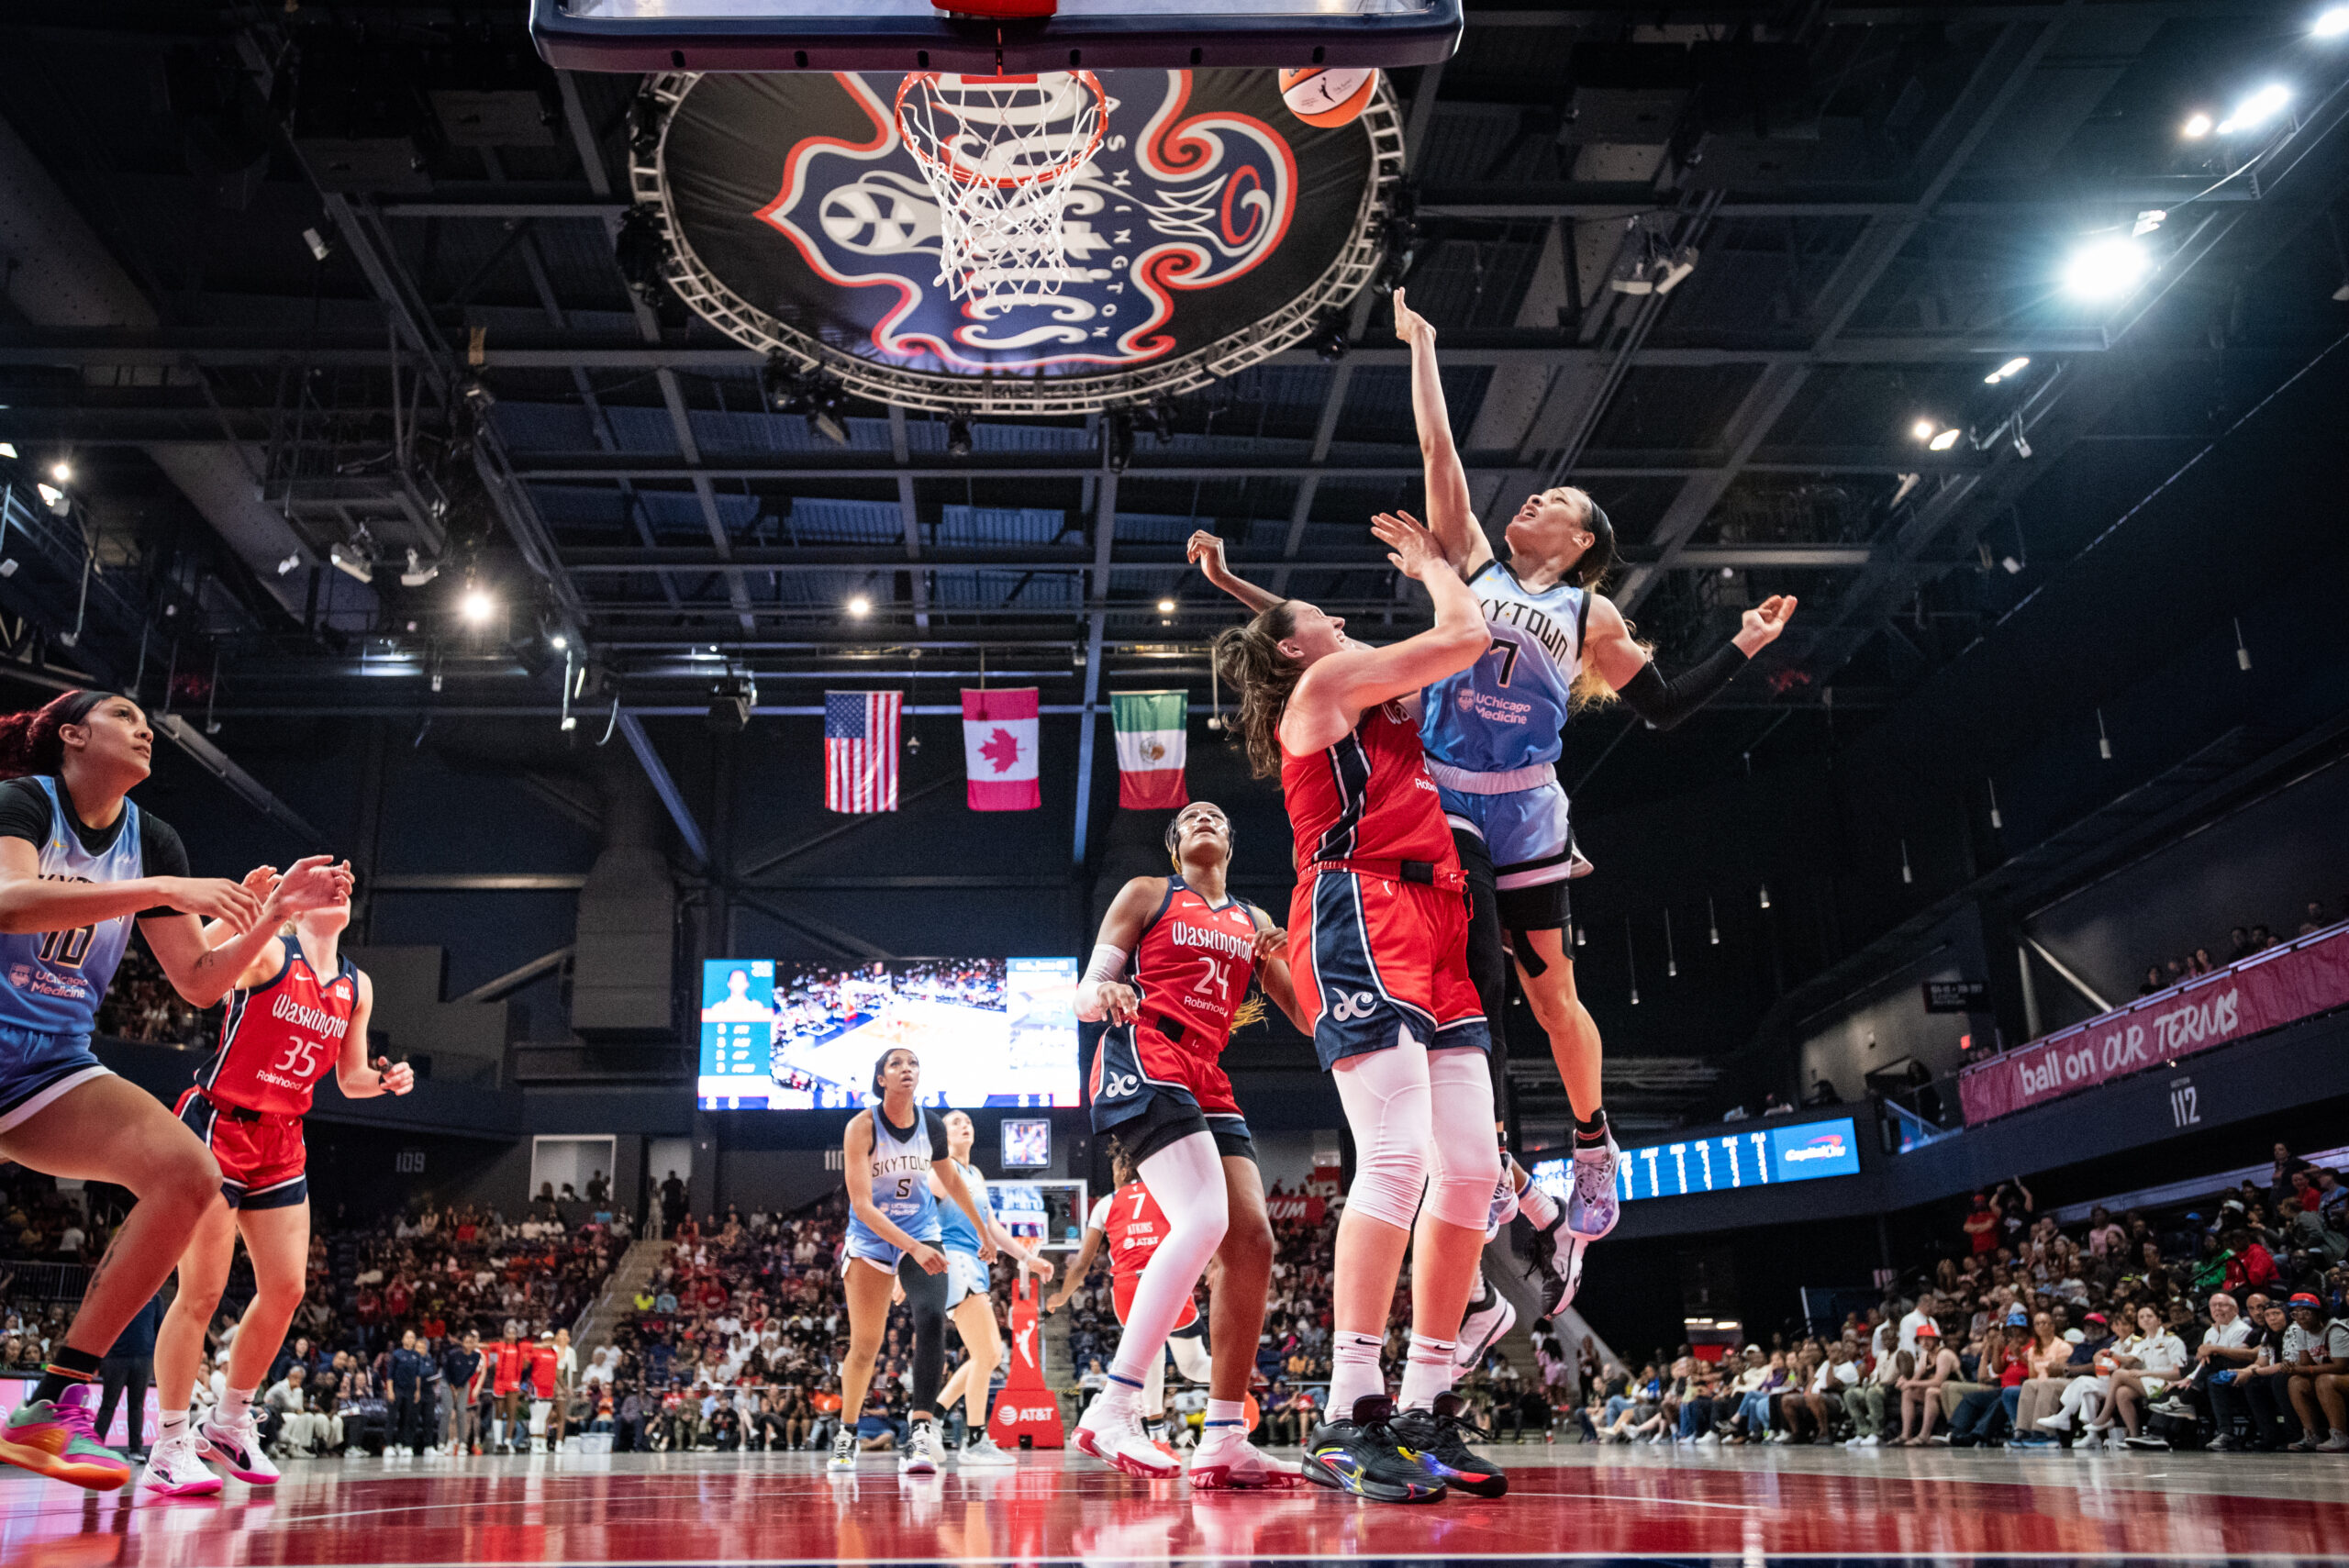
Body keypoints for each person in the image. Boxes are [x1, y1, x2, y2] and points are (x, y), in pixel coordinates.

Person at [1193, 292, 1796, 1323]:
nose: (1531, 501)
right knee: (1469, 1012)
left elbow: (1658, 709)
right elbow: (1434, 457)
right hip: (1442, 807)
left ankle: (1594, 1144)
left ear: (1580, 537)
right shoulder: (1465, 561)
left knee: (1556, 994)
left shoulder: (1588, 610)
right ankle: (1502, 1194)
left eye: (1553, 497)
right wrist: (1422, 348)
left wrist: (1742, 643)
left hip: (1526, 810)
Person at [1209, 506, 1503, 1504]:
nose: (1339, 617)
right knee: (1397, 1158)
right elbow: (1462, 635)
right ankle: (1348, 1410)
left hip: (1438, 911)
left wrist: (1247, 596)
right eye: (1318, 617)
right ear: (1300, 647)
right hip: (1358, 903)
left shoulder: (1338, 668)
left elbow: (1326, 634)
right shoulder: (1328, 684)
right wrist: (1429, 564)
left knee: (1469, 1169)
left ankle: (1424, 1402)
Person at [0, 689, 351, 1491]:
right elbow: (11, 904)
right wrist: (164, 890)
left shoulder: (152, 837)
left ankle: (51, 1404)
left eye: (148, 725)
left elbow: (198, 982)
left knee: (190, 1176)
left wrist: (269, 917)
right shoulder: (23, 802)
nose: (143, 730)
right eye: (125, 717)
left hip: (50, 1064)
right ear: (73, 734)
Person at [1068, 797, 1310, 1489]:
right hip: (1146, 1051)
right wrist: (1106, 994)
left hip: (1207, 1070)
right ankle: (1115, 1405)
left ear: (1231, 841)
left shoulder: (1254, 921)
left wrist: (1293, 951)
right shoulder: (1149, 892)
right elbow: (1086, 993)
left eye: (1217, 815)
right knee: (1205, 1216)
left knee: (1252, 1241)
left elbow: (1303, 1015)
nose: (1206, 816)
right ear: (1177, 845)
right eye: (1192, 817)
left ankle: (1225, 1435)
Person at [145, 869, 410, 1494]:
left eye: (348, 882)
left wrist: (387, 1079)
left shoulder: (355, 984)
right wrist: (256, 906)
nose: (341, 884)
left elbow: (349, 1078)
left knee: (287, 1288)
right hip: (219, 1124)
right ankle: (170, 1439)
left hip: (283, 1137)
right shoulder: (269, 950)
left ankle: (230, 1420)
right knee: (202, 1294)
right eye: (328, 878)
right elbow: (199, 967)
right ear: (299, 903)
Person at [829, 1048, 992, 1475]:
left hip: (921, 1230)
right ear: (880, 1078)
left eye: (913, 1064)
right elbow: (862, 1206)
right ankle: (846, 1434)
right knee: (866, 1345)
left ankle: (921, 1433)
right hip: (870, 1240)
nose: (907, 1069)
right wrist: (913, 1248)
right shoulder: (861, 1127)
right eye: (896, 1064)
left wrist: (983, 1231)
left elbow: (952, 1179)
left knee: (933, 1316)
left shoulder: (932, 1124)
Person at [1049, 1140, 1219, 1454]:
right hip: (1168, 1278)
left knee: (1150, 1359)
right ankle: (1233, 1383)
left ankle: (1157, 1438)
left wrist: (1061, 1296)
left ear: (1122, 1168)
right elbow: (1205, 1224)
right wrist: (1214, 1262)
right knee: (1193, 1365)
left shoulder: (1106, 1203)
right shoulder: (1166, 1192)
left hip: (1129, 1288)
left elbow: (1083, 1263)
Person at [928, 1107, 1054, 1469]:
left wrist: (1027, 1259)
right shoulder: (940, 1169)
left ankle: (932, 1418)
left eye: (967, 1121)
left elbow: (992, 1225)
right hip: (955, 1261)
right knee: (989, 1354)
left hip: (975, 1263)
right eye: (955, 1123)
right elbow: (921, 1215)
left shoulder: (976, 1173)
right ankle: (973, 1439)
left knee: (987, 1355)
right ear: (942, 1136)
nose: (964, 1125)